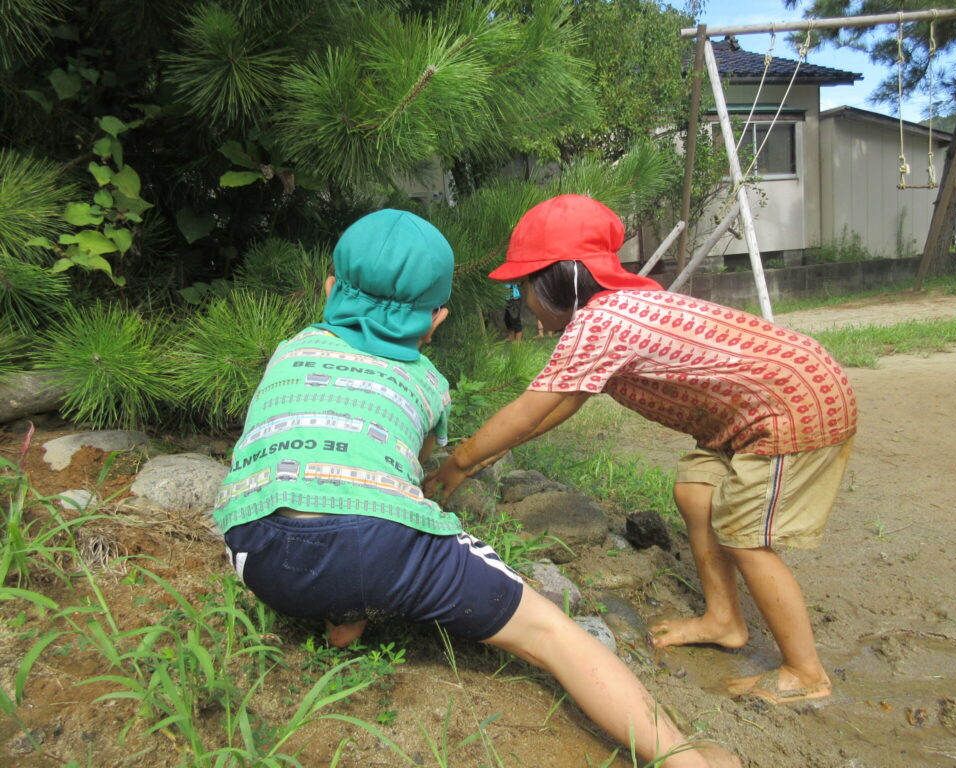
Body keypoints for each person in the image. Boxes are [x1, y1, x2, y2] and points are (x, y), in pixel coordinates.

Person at [213, 209, 739, 768]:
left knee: (328, 530)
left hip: (256, 547)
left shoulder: (289, 350)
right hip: (382, 541)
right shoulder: (427, 381)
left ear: (328, 289)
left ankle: (344, 617)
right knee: (551, 634)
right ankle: (683, 758)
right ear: (436, 319)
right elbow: (411, 474)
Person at [429, 195, 857, 707]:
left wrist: (458, 464)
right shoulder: (612, 313)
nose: (523, 299)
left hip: (791, 407)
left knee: (746, 537)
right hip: (748, 415)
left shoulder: (602, 321)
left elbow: (528, 410)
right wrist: (486, 457)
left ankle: (805, 672)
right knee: (697, 491)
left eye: (524, 285)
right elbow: (560, 405)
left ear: (558, 279)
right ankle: (724, 619)